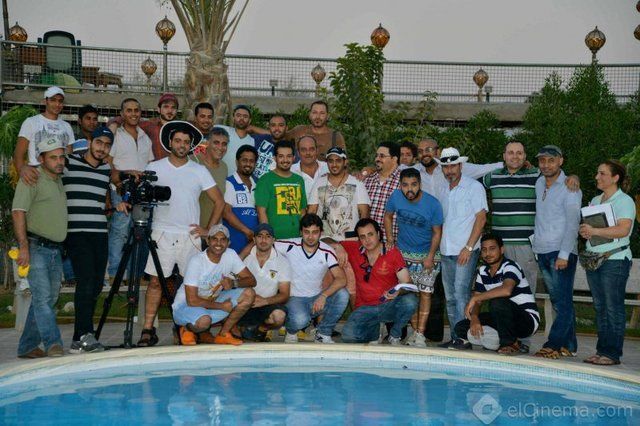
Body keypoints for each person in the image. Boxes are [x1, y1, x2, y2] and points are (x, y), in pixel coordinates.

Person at [482, 140, 580, 353]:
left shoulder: (536, 176)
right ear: (504, 156)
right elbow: (468, 177)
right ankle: (510, 339)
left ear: (525, 157)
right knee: (501, 295)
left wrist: (574, 177)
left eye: (519, 153)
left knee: (527, 294)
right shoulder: (494, 177)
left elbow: (562, 180)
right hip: (500, 248)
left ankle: (525, 341)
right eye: (510, 153)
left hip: (527, 247)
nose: (515, 156)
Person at [136, 121, 225, 347]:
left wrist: (208, 231)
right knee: (155, 283)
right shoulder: (154, 167)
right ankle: (148, 329)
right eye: (178, 141)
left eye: (186, 142)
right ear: (170, 142)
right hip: (161, 233)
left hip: (190, 236)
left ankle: (185, 329)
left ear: (191, 145)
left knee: (190, 286)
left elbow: (219, 201)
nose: (182, 145)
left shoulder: (199, 170)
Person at [12, 138, 68, 358]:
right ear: (41, 159)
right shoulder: (31, 177)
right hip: (35, 248)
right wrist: (24, 247)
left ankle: (27, 346)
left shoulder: (58, 180)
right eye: (53, 157)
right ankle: (54, 343)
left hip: (55, 250)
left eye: (61, 157)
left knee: (48, 299)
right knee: (43, 298)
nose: (59, 161)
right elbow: (18, 211)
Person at [579, 160, 635, 366]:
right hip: (595, 260)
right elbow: (593, 230)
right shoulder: (595, 200)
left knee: (613, 308)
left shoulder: (625, 201)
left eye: (602, 173)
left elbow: (623, 230)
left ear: (615, 178)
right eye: (597, 173)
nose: (597, 177)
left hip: (615, 260)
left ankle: (612, 354)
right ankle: (601, 351)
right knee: (600, 307)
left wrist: (594, 230)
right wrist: (585, 231)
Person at [63, 127, 113, 353]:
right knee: (85, 282)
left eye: (107, 145)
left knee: (96, 284)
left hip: (100, 233)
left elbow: (113, 186)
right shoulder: (69, 163)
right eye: (99, 142)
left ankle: (81, 337)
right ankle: (84, 335)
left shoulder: (106, 169)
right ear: (90, 141)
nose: (102, 148)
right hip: (76, 232)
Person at [331, 218, 417, 345]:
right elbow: (323, 241)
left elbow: (408, 284)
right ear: (359, 239)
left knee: (410, 301)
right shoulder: (354, 248)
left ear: (378, 234)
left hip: (387, 305)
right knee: (348, 337)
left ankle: (395, 335)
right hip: (364, 307)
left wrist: (398, 292)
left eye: (370, 234)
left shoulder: (392, 252)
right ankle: (374, 332)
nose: (367, 240)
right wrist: (338, 246)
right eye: (362, 237)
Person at [451, 234, 540, 354]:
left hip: (526, 321)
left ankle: (509, 343)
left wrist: (476, 298)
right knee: (461, 327)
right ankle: (503, 340)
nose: (488, 253)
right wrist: (475, 318)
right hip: (502, 318)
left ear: (502, 250)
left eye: (492, 249)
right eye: (484, 250)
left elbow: (506, 290)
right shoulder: (483, 271)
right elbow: (478, 301)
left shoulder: (510, 266)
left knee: (497, 301)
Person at [531, 145, 582, 359]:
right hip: (542, 251)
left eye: (551, 160)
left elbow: (573, 223)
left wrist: (564, 254)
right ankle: (569, 345)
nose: (546, 165)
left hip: (561, 253)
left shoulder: (571, 187)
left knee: (562, 301)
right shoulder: (539, 183)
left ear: (560, 161)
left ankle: (553, 344)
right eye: (542, 161)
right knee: (558, 300)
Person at [435, 147, 488, 348]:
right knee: (450, 297)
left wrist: (468, 247)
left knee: (461, 294)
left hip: (465, 250)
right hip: (446, 250)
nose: (449, 170)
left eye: (453, 166)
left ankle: (463, 338)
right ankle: (456, 337)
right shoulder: (442, 190)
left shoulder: (474, 187)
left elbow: (481, 218)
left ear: (460, 166)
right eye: (446, 167)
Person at [384, 168, 443, 347]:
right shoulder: (396, 197)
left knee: (425, 294)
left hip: (427, 255)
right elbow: (388, 216)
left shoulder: (433, 204)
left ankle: (420, 334)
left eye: (414, 184)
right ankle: (415, 332)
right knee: (409, 293)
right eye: (405, 185)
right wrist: (390, 238)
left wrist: (430, 256)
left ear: (420, 184)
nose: (409, 189)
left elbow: (437, 232)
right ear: (400, 185)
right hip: (404, 254)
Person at [172, 224, 256, 346]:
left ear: (228, 243)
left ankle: (223, 334)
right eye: (214, 239)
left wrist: (233, 283)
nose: (218, 243)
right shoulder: (197, 261)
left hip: (211, 304)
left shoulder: (231, 255)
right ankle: (185, 329)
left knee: (249, 294)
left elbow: (252, 280)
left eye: (223, 240)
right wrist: (221, 306)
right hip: (186, 306)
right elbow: (191, 300)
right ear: (208, 241)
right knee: (204, 321)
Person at [308, 146, 370, 306]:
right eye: (330, 161)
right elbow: (311, 214)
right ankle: (321, 319)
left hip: (351, 239)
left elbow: (364, 215)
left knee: (354, 284)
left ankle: (356, 318)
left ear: (345, 162)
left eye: (338, 160)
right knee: (325, 282)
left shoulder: (357, 183)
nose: (334, 164)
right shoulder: (319, 183)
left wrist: (363, 242)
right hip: (326, 240)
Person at [279, 214, 348, 344]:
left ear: (321, 233)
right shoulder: (290, 245)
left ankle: (323, 334)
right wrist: (242, 258)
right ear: (301, 232)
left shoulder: (326, 251)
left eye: (315, 232)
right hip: (294, 298)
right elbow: (261, 243)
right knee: (300, 320)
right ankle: (291, 331)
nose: (310, 237)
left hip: (316, 298)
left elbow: (341, 279)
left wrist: (324, 295)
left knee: (342, 294)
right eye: (307, 232)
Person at [106, 98, 154, 279]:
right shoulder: (115, 135)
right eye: (129, 110)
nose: (133, 114)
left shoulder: (145, 137)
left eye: (136, 110)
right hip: (121, 190)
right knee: (120, 232)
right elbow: (108, 163)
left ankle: (134, 275)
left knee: (138, 234)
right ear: (122, 114)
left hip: (141, 194)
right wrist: (119, 180)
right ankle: (115, 274)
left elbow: (149, 164)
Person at [239, 223, 291, 341]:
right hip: (245, 302)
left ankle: (261, 329)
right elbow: (231, 280)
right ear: (254, 239)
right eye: (260, 236)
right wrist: (250, 298)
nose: (263, 240)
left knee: (279, 316)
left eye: (268, 236)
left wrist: (264, 301)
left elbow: (285, 294)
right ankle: (244, 328)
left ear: (273, 240)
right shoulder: (245, 257)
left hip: (267, 304)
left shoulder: (282, 261)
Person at [13, 86, 75, 186]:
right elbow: (18, 153)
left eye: (60, 101)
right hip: (36, 175)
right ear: (45, 101)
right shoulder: (31, 122)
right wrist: (22, 170)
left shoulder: (67, 126)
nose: (57, 104)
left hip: (59, 178)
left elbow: (68, 155)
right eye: (53, 100)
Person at [255, 140, 307, 239]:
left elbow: (302, 211)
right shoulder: (265, 180)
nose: (285, 160)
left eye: (289, 156)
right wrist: (267, 238)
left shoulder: (299, 180)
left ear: (294, 158)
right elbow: (261, 213)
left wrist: (303, 235)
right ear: (275, 158)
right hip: (275, 239)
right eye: (281, 156)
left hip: (297, 239)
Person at [415, 138, 502, 197]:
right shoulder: (414, 172)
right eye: (420, 151)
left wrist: (507, 163)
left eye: (428, 150)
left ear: (438, 152)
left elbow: (484, 169)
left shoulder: (456, 168)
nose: (424, 154)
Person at [108, 93, 179, 160]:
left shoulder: (181, 127)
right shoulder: (150, 125)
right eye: (166, 107)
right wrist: (114, 123)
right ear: (158, 109)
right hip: (154, 167)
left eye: (173, 107)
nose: (170, 110)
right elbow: (130, 120)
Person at [192, 127, 229, 233]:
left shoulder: (224, 167)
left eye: (224, 144)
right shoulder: (193, 161)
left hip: (214, 233)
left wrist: (209, 231)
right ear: (207, 143)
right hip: (194, 230)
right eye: (216, 143)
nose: (220, 147)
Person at [364, 142, 402, 242]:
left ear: (394, 159)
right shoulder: (367, 180)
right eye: (376, 155)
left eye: (382, 156)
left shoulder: (404, 182)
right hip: (368, 243)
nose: (377, 159)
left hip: (393, 243)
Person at [223, 145, 259, 252]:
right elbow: (226, 212)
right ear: (237, 162)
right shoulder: (229, 182)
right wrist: (247, 231)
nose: (248, 164)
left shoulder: (258, 184)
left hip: (253, 245)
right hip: (234, 243)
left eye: (251, 161)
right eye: (244, 160)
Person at [215, 105, 255, 175]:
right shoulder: (222, 130)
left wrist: (254, 128)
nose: (241, 118)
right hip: (220, 178)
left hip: (240, 180)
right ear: (233, 118)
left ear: (250, 120)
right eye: (238, 115)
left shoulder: (253, 141)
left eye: (245, 116)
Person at [291, 135, 329, 200]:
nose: (308, 153)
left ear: (317, 150)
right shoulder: (290, 171)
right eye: (303, 150)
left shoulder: (328, 168)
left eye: (311, 149)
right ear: (298, 152)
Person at [252, 114, 288, 180]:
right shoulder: (259, 139)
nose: (277, 128)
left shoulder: (289, 149)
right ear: (269, 127)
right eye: (273, 125)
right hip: (252, 184)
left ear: (286, 128)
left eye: (281, 125)